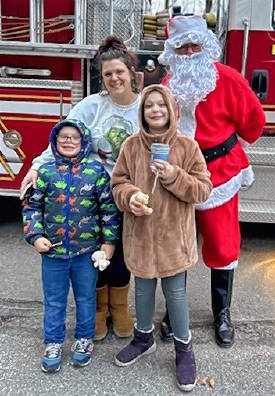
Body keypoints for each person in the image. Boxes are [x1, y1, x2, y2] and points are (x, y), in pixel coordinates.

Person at [20, 36, 142, 342]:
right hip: (93, 195)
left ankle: (120, 308)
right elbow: (64, 138)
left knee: (122, 255)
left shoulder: (144, 107)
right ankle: (99, 310)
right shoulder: (92, 105)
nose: (114, 78)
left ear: (131, 73)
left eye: (119, 72)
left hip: (129, 194)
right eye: (108, 74)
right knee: (96, 253)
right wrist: (36, 166)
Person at [159, 15, 266, 348]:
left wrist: (229, 147)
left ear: (207, 46)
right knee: (178, 246)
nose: (190, 51)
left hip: (220, 173)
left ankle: (222, 313)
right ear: (173, 51)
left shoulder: (229, 79)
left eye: (195, 44)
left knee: (222, 245)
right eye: (183, 46)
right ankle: (174, 312)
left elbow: (254, 122)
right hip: (179, 175)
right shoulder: (166, 86)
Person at [111, 84, 212, 392]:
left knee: (176, 296)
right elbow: (118, 182)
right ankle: (143, 338)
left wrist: (173, 176)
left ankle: (184, 349)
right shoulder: (130, 146)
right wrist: (130, 198)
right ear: (142, 113)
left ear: (171, 110)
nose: (155, 110)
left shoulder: (186, 146)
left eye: (161, 105)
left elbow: (203, 189)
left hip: (173, 241)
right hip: (140, 237)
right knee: (141, 292)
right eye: (149, 106)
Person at [23, 119, 120, 373]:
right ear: (55, 141)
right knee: (54, 300)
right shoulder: (45, 172)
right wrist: (35, 236)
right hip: (53, 253)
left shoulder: (96, 171)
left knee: (86, 298)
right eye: (63, 137)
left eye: (74, 137)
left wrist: (109, 242)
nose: (68, 141)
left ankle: (84, 339)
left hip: (85, 253)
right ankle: (53, 342)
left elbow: (108, 210)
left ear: (84, 141)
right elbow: (32, 207)